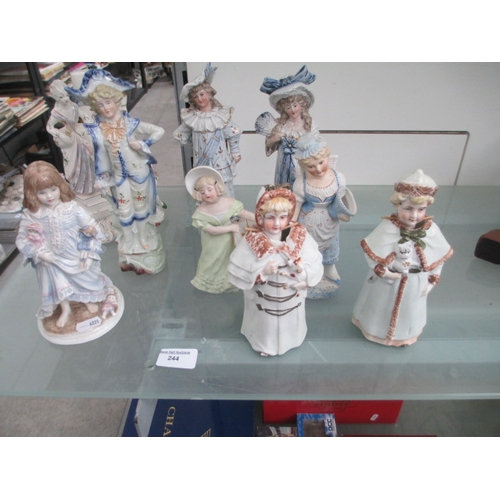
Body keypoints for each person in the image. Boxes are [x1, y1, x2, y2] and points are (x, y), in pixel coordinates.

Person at [66, 69, 166, 274]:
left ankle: (143, 238)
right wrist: (102, 176)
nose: (105, 108)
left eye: (108, 102)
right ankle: (128, 241)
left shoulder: (130, 124)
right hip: (119, 177)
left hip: (139, 174)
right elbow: (100, 155)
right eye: (100, 105)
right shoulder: (98, 129)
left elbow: (159, 131)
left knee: (140, 208)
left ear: (116, 101)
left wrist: (143, 144)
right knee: (124, 209)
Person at [352, 169, 454, 347]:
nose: (414, 215)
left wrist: (432, 280)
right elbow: (373, 255)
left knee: (409, 311)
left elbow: (439, 258)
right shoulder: (387, 228)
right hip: (387, 283)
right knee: (379, 308)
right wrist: (385, 272)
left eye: (421, 209)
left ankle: (404, 336)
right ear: (397, 206)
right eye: (408, 209)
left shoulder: (431, 231)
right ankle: (374, 330)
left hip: (416, 283)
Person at [16, 161, 116, 329]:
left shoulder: (72, 208)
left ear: (60, 186)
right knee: (57, 281)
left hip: (76, 254)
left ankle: (87, 300)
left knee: (87, 277)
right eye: (42, 192)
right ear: (32, 193)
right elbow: (21, 240)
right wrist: (39, 253)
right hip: (52, 259)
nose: (49, 196)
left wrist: (89, 251)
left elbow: (94, 229)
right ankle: (66, 309)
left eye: (53, 189)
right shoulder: (32, 215)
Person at [228, 185, 323, 356]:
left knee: (290, 323)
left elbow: (313, 260)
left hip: (292, 300)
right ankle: (264, 344)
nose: (277, 223)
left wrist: (304, 276)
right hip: (264, 304)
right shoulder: (252, 241)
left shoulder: (300, 237)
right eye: (271, 218)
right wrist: (262, 272)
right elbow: (240, 269)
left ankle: (292, 339)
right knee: (266, 325)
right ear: (260, 217)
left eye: (283, 217)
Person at [292, 134, 357, 297]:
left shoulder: (338, 178)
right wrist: (291, 226)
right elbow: (296, 206)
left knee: (331, 245)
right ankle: (310, 273)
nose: (319, 169)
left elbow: (341, 200)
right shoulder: (301, 183)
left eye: (321, 163)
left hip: (330, 220)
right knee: (309, 248)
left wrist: (343, 212)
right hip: (309, 222)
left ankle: (329, 268)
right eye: (311, 166)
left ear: (327, 157)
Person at [174, 63, 242, 198]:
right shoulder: (193, 118)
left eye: (202, 94)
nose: (200, 99)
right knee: (204, 186)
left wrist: (235, 151)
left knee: (222, 185)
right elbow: (179, 134)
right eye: (196, 97)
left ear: (209, 94)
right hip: (202, 162)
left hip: (220, 160)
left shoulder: (220, 115)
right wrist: (195, 144)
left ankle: (227, 208)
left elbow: (234, 131)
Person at [185, 166, 254, 293]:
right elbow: (212, 230)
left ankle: (229, 282)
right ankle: (210, 283)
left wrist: (259, 219)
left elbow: (242, 213)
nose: (206, 194)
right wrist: (230, 227)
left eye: (209, 189)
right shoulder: (201, 211)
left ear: (217, 187)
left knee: (229, 259)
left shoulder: (228, 202)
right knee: (211, 261)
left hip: (229, 242)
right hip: (213, 243)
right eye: (202, 192)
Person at [255, 65, 319, 187]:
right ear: (283, 109)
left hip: (302, 165)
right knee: (283, 188)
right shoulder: (280, 124)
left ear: (302, 105)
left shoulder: (309, 125)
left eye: (295, 106)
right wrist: (274, 139)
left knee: (301, 188)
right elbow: (269, 145)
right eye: (288, 107)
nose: (293, 110)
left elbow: (317, 147)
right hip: (283, 167)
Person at [46, 79, 95, 194]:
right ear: (55, 97)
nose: (66, 99)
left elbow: (84, 116)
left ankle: (91, 183)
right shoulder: (57, 112)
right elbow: (49, 126)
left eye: (67, 95)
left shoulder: (73, 106)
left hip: (81, 132)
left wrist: (90, 122)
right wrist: (57, 133)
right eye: (61, 97)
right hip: (71, 137)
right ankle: (79, 185)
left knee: (90, 157)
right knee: (74, 161)